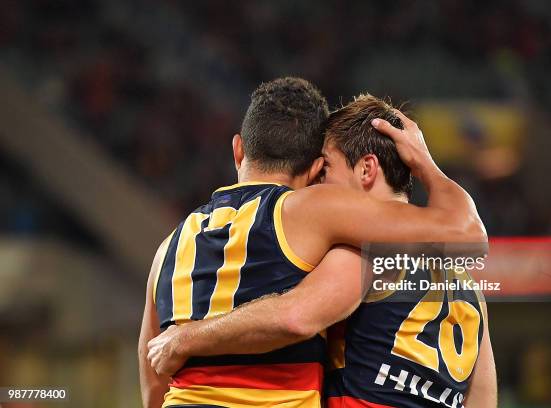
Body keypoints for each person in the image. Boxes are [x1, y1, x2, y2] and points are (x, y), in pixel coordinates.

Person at [139, 78, 486, 407]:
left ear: (238, 149)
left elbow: (153, 379)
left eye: (327, 172)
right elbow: (484, 397)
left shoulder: (168, 247)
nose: (322, 183)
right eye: (321, 173)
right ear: (312, 165)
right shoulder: (467, 286)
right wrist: (425, 162)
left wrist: (186, 338)